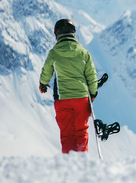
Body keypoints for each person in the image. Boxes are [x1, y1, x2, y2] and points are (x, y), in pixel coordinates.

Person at [39, 19, 98, 154]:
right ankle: (83, 162)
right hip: (82, 99)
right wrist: (93, 93)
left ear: (56, 34)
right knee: (81, 131)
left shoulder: (53, 53)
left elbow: (46, 71)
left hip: (62, 99)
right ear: (73, 33)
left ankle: (69, 165)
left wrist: (43, 84)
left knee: (67, 134)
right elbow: (91, 75)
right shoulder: (83, 53)